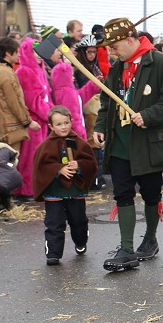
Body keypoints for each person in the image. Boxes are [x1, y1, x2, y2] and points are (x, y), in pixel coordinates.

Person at [92, 16, 163, 272]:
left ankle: (151, 239)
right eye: (109, 48)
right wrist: (101, 126)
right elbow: (107, 102)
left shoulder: (160, 63)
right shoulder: (117, 68)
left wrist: (148, 115)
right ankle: (126, 248)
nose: (112, 52)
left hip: (149, 143)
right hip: (121, 143)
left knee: (150, 193)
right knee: (122, 192)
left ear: (130, 38)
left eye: (115, 46)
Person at [33, 105, 98, 265]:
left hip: (75, 191)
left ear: (71, 122)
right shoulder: (45, 146)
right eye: (59, 124)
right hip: (54, 192)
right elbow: (41, 166)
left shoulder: (80, 143)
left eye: (66, 123)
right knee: (54, 223)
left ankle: (81, 241)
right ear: (51, 126)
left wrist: (80, 165)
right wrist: (58, 169)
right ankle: (53, 254)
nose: (63, 127)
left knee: (78, 221)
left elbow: (91, 163)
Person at [13, 36, 53, 197]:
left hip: (42, 120)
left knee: (39, 156)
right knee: (30, 157)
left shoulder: (39, 69)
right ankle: (26, 189)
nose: (38, 55)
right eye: (34, 51)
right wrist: (50, 114)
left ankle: (36, 187)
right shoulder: (25, 71)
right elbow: (32, 101)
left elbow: (45, 97)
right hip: (33, 121)